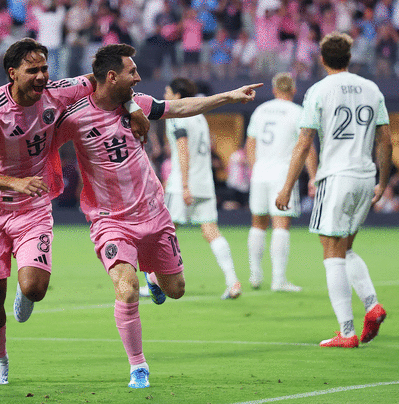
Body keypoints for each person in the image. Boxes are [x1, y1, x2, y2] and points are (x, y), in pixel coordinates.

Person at [55, 44, 262, 388]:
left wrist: (228, 96)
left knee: (176, 290)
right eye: (132, 71)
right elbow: (40, 138)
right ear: (111, 77)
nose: (138, 77)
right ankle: (138, 366)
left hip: (153, 213)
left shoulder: (136, 104)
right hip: (110, 219)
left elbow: (180, 107)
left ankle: (154, 277)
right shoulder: (75, 116)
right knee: (127, 289)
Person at [0, 38, 149, 386]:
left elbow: (107, 80)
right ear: (12, 73)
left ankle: (25, 287)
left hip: (33, 208)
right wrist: (16, 183)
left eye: (45, 68)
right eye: (33, 70)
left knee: (34, 288)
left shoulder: (59, 92)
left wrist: (133, 105)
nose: (42, 76)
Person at [276, 32, 392, 348]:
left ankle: (347, 331)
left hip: (337, 176)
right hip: (365, 176)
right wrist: (382, 181)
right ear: (349, 58)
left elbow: (304, 142)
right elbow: (385, 140)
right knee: (346, 247)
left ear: (322, 59)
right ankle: (372, 305)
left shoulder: (319, 90)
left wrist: (287, 187)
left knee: (331, 251)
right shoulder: (372, 89)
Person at [161, 77, 241, 300]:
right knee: (211, 231)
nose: (165, 96)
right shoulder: (200, 116)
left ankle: (155, 284)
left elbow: (183, 149)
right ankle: (232, 281)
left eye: (168, 92)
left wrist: (185, 185)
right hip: (205, 184)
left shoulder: (176, 115)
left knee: (163, 234)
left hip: (182, 184)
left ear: (178, 96)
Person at [246, 73, 317, 292]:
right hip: (283, 174)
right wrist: (313, 176)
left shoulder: (260, 110)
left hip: (260, 173)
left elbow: (250, 144)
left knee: (258, 223)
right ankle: (279, 280)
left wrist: (255, 169)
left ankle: (255, 275)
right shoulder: (298, 112)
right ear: (293, 90)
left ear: (274, 89)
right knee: (281, 224)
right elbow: (307, 147)